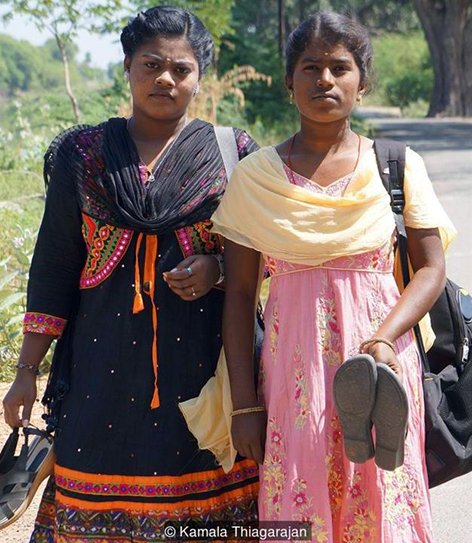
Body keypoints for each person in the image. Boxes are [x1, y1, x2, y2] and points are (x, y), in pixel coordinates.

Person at [2, 6, 259, 541]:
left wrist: (215, 267)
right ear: (127, 66)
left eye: (181, 69)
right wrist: (26, 370)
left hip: (203, 371)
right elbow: (54, 266)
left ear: (199, 76)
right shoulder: (84, 156)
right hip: (100, 373)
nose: (165, 79)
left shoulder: (233, 155)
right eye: (151, 64)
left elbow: (265, 257)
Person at [211, 12, 456, 543]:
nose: (325, 79)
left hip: (382, 367)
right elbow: (240, 296)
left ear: (362, 83)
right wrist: (245, 405)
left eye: (340, 68)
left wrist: (384, 338)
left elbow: (431, 268)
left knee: (384, 498)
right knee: (302, 507)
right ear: (289, 83)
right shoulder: (256, 178)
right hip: (292, 377)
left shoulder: (396, 166)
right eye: (311, 67)